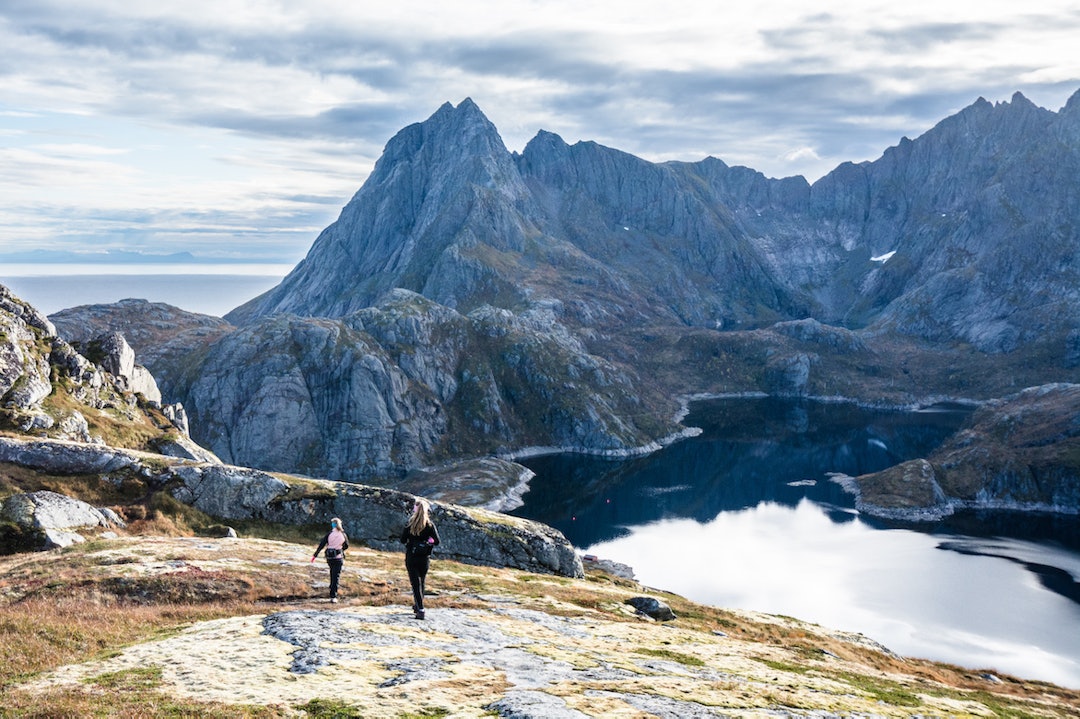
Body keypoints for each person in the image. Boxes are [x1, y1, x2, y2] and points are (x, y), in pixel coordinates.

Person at [400, 498, 440, 619]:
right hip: (424, 557)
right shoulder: (429, 525)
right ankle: (418, 606)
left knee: (415, 583)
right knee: (421, 581)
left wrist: (411, 542)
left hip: (411, 556)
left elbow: (402, 540)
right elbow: (437, 541)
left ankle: (420, 608)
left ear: (415, 510)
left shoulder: (410, 524)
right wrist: (427, 542)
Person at [312, 517, 349, 603]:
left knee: (332, 573)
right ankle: (333, 595)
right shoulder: (343, 534)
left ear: (333, 525)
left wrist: (315, 555)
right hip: (338, 558)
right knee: (336, 576)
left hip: (330, 557)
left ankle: (331, 589)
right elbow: (346, 545)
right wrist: (340, 549)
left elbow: (322, 544)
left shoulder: (329, 534)